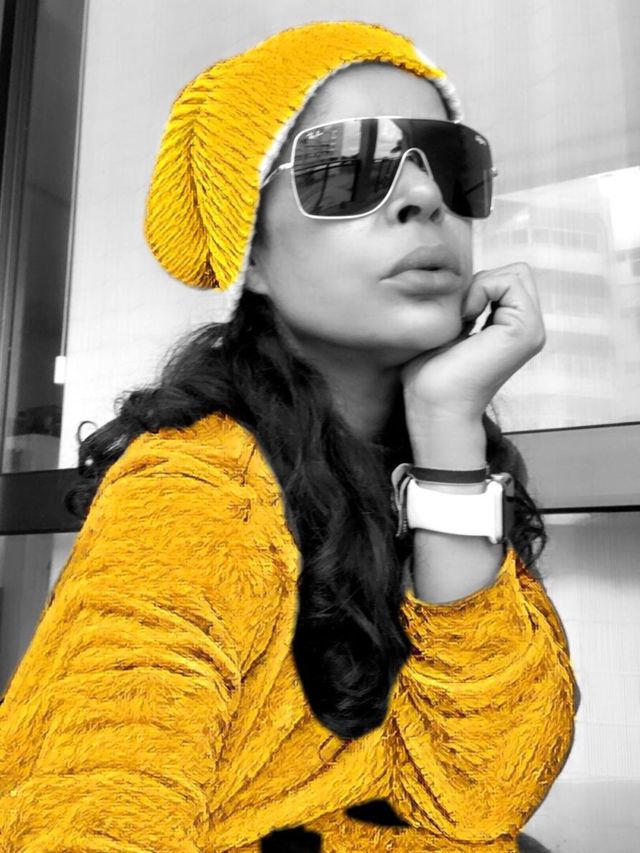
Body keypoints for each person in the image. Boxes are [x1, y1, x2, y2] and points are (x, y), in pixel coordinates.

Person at [0, 20, 578, 853]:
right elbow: (92, 820)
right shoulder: (193, 493)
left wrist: (449, 426)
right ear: (253, 254)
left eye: (450, 164)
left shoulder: (438, 459)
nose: (424, 198)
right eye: (350, 167)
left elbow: (485, 791)